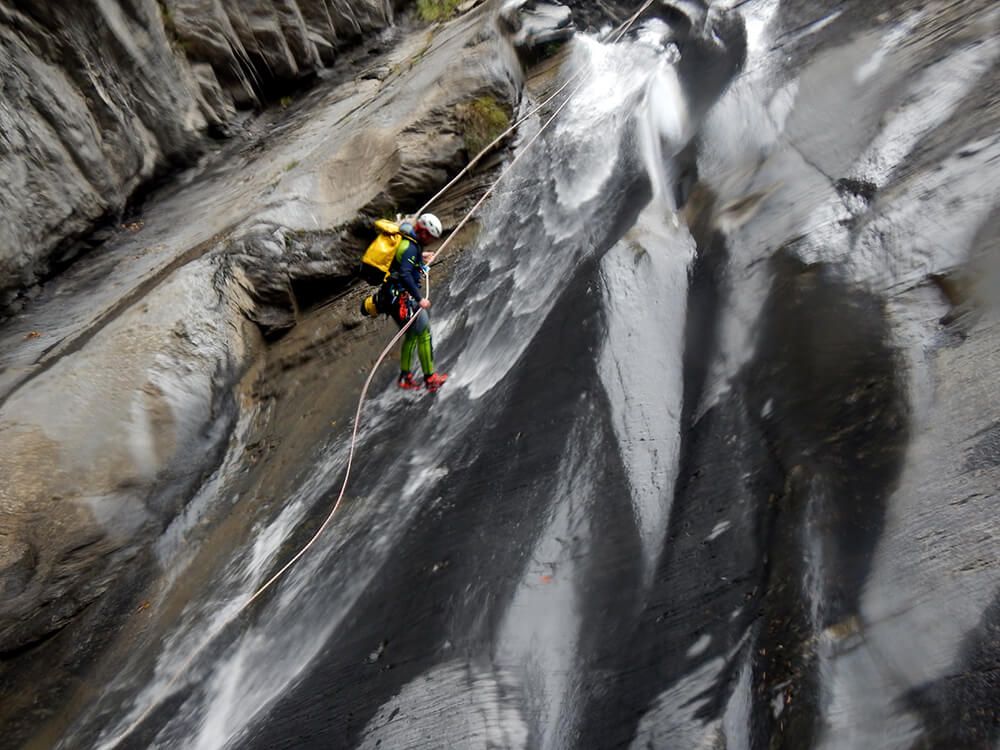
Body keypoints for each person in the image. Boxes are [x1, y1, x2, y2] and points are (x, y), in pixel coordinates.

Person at [360, 213, 449, 392]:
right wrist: (420, 298)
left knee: (411, 335)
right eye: (430, 237)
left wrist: (421, 258)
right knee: (423, 332)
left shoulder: (407, 241)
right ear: (424, 232)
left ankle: (405, 378)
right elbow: (405, 274)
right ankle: (430, 378)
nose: (431, 240)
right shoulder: (409, 245)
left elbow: (401, 263)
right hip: (401, 298)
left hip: (393, 296)